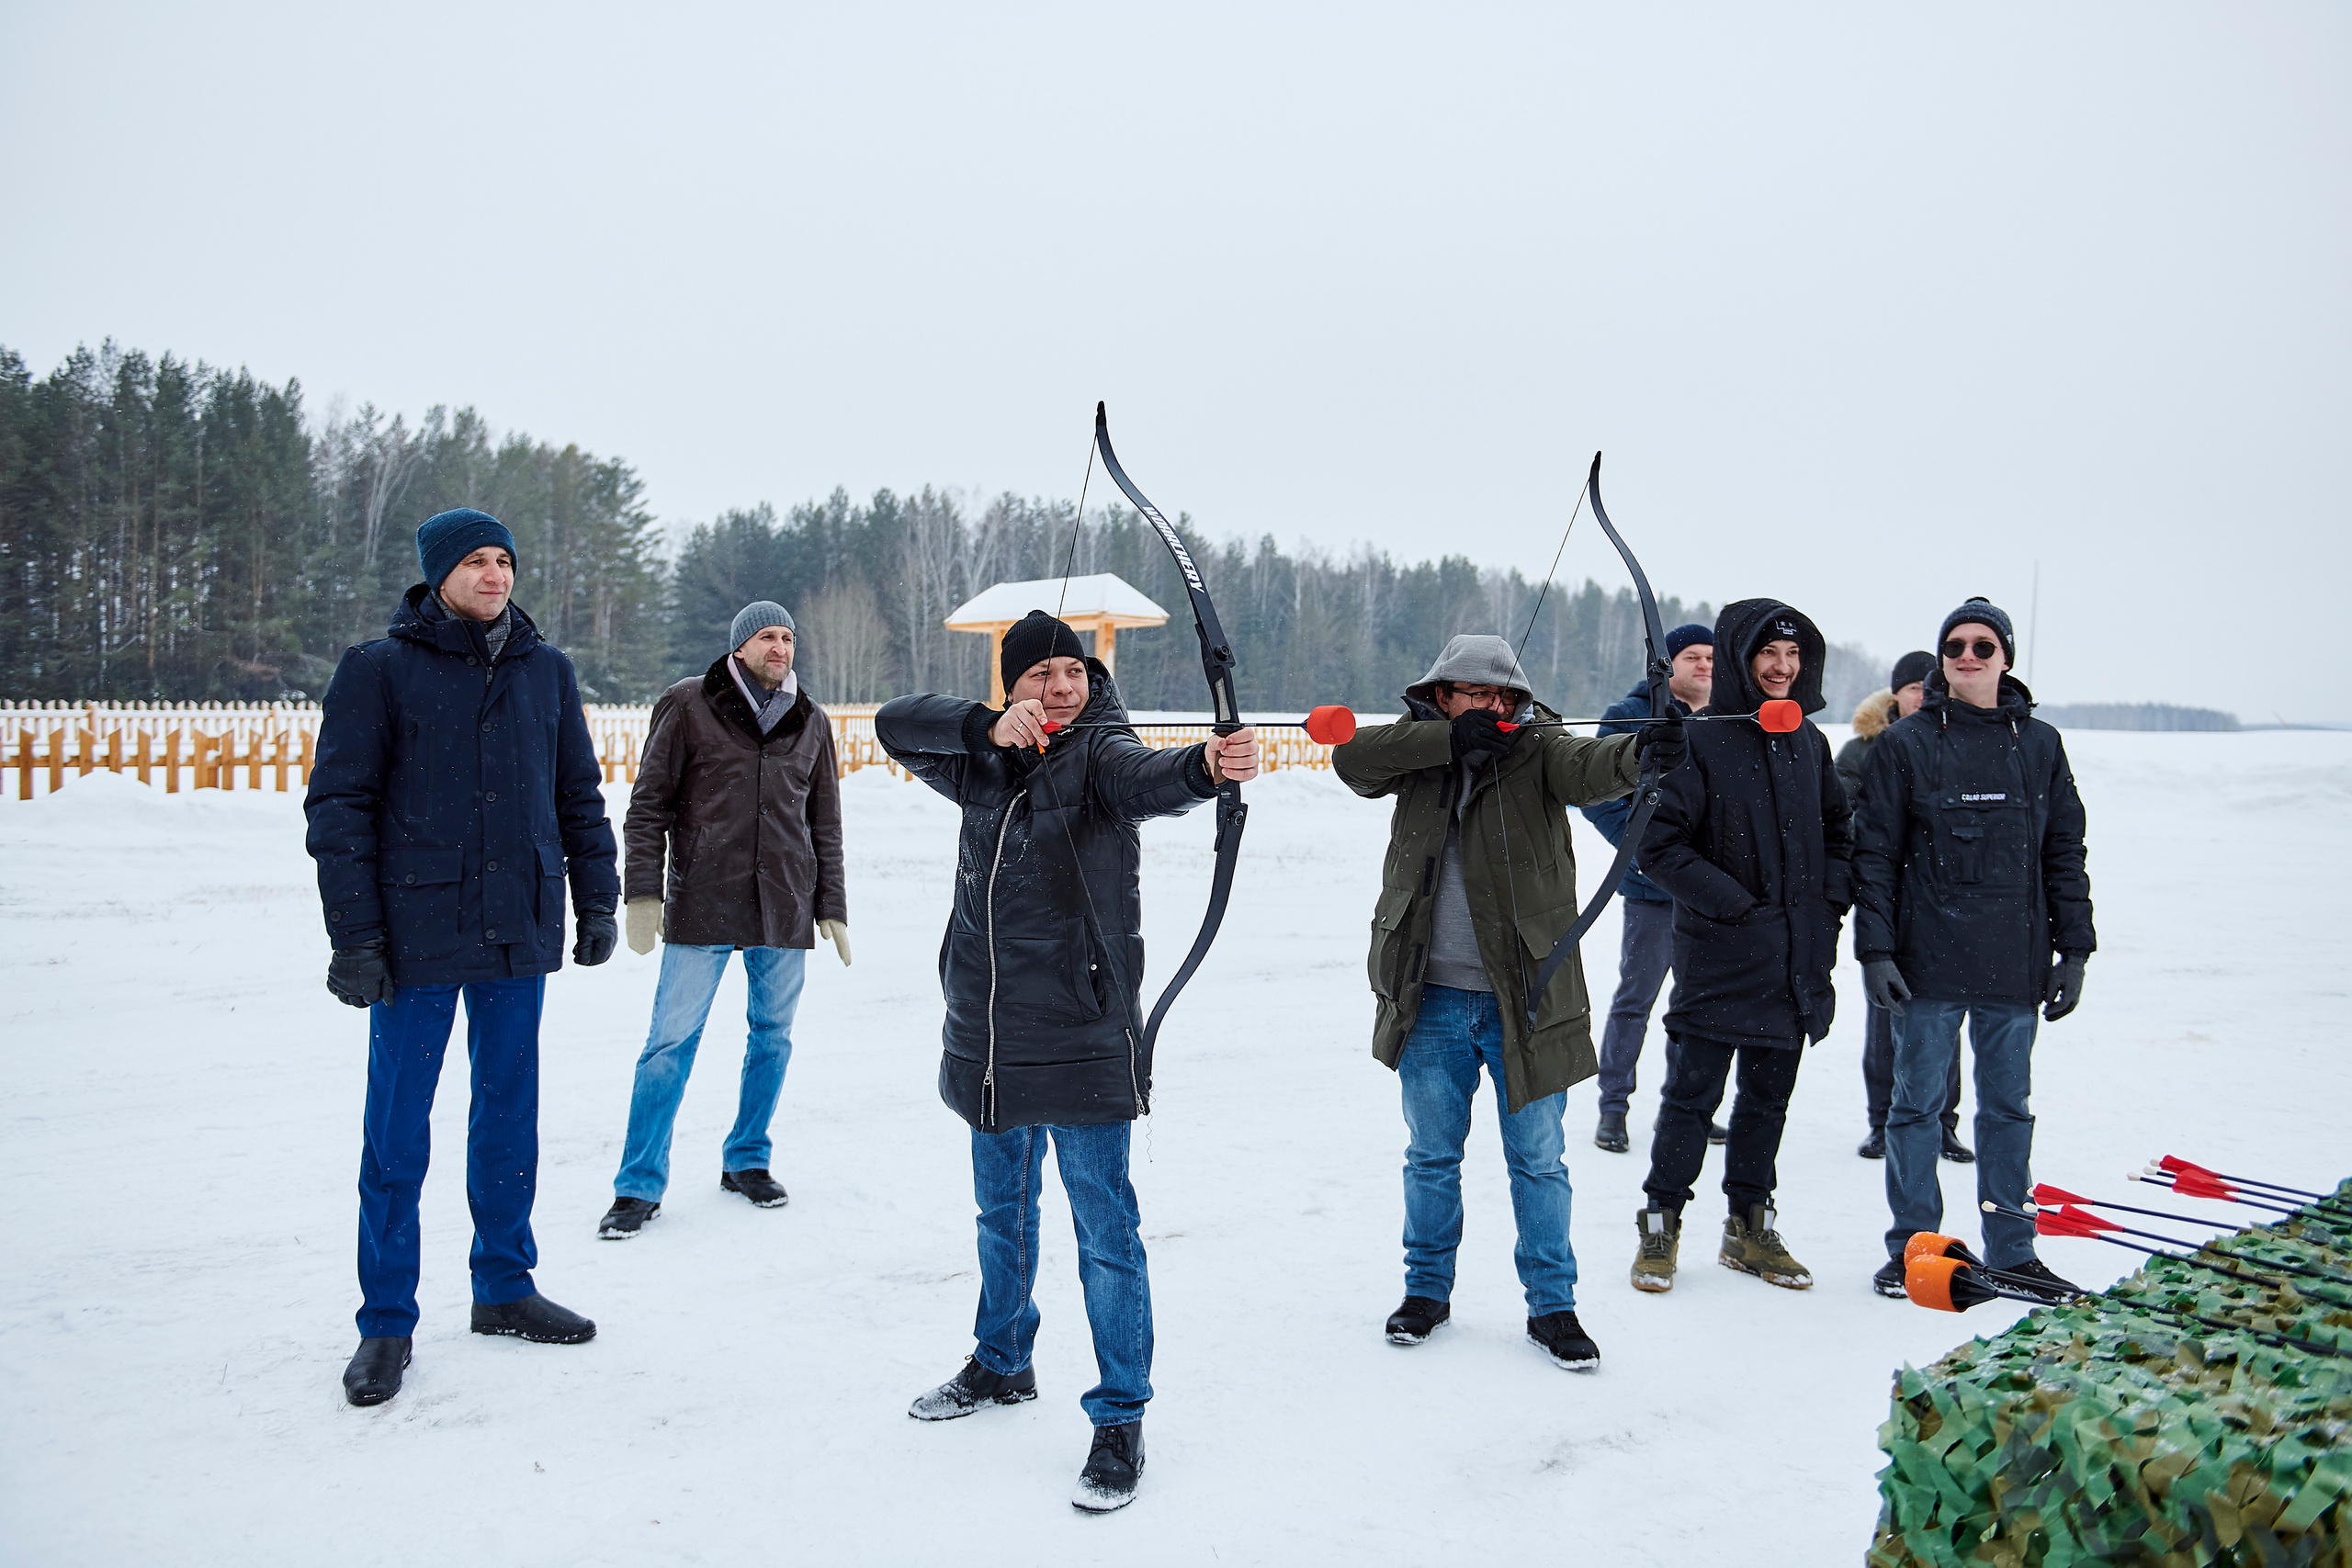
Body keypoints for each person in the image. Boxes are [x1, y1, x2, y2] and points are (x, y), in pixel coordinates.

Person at [876, 610, 1259, 1514]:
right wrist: (983, 726)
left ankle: (1120, 1415)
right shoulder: (979, 758)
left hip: (1084, 1031)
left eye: (1075, 673)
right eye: (1041, 672)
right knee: (999, 1216)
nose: (1062, 686)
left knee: (1105, 1236)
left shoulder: (1100, 754)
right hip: (988, 1033)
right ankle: (1002, 1360)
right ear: (1011, 684)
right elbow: (895, 720)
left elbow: (1148, 779)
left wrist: (1206, 768)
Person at [306, 506, 620, 1409]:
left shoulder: (545, 671)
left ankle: (504, 1287)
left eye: (505, 561)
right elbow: (339, 811)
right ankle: (385, 1323)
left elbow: (577, 795)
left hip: (517, 925)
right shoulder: (379, 671)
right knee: (398, 1135)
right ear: (439, 573)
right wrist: (356, 936)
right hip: (414, 937)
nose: (495, 576)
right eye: (477, 562)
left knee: (509, 1118)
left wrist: (595, 898)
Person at [1332, 634, 1686, 1371]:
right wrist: (1443, 743)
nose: (1496, 707)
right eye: (1477, 695)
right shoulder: (1418, 752)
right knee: (1431, 1156)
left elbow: (1595, 767)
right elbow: (1353, 760)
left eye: (1506, 697)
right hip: (1427, 996)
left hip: (1527, 994)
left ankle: (1552, 1305)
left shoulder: (1540, 748)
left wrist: (1644, 751)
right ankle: (1426, 1291)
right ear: (1442, 696)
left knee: (1540, 1159)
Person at [1854, 597, 2095, 1303]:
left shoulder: (2040, 744)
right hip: (1925, 960)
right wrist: (1876, 950)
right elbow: (1874, 854)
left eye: (1982, 646)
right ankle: (1915, 1248)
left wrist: (2074, 950)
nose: (1966, 655)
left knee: (2007, 1109)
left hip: (2013, 961)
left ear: (2005, 658)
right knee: (1914, 1108)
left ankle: (2014, 1248)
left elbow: (2064, 852)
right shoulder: (1905, 743)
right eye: (1954, 645)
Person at [597, 601, 850, 1239]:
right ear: (740, 646)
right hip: (703, 899)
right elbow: (647, 804)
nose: (781, 646)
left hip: (784, 903)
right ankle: (637, 1183)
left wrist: (833, 905)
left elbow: (825, 823)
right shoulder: (688, 704)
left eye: (789, 636)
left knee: (773, 1036)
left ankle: (747, 1158)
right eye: (768, 635)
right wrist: (643, 894)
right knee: (668, 1043)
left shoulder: (811, 720)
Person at [1628, 599, 1850, 1296]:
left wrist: (1827, 904)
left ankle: (1749, 1225)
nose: (1783, 668)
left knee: (1766, 1100)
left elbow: (1841, 832)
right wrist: (1737, 908)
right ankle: (1661, 1221)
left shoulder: (1809, 742)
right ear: (1738, 658)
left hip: (1795, 961)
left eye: (1794, 656)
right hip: (1722, 954)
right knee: (1691, 1098)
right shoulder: (1699, 738)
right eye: (1769, 654)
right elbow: (1659, 846)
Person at [1580, 623, 1725, 1154]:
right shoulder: (1627, 716)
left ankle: (1690, 1107)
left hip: (1711, 893)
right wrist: (1641, 851)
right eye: (1693, 656)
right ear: (1667, 664)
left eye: (1712, 657)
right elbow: (1596, 795)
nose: (1705, 665)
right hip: (1652, 891)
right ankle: (1612, 1107)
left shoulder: (1726, 719)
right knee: (1636, 998)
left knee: (1700, 1006)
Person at [1839, 651, 1971, 1164]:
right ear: (1896, 695)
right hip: (1887, 898)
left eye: (1927, 686)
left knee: (1945, 1016)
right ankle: (1882, 1120)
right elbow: (1841, 816)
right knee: (1887, 1015)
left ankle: (1943, 1122)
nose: (1920, 695)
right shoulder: (1862, 750)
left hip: (1946, 901)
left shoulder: (1954, 746)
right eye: (1911, 687)